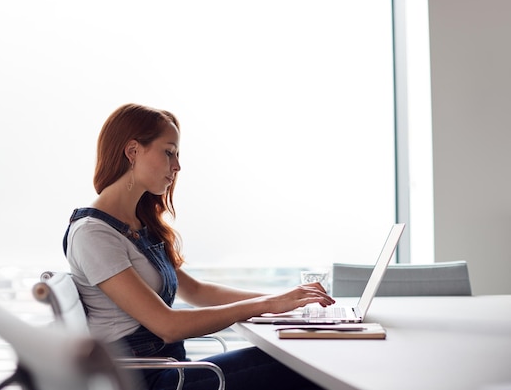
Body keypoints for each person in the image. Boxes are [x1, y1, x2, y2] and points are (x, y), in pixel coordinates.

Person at [63, 103, 335, 390]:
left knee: (302, 360)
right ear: (132, 151)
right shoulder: (93, 234)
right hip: (150, 381)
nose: (177, 166)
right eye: (169, 152)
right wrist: (267, 305)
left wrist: (284, 301)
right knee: (303, 366)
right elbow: (168, 326)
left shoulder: (136, 223)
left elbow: (196, 291)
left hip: (170, 369)